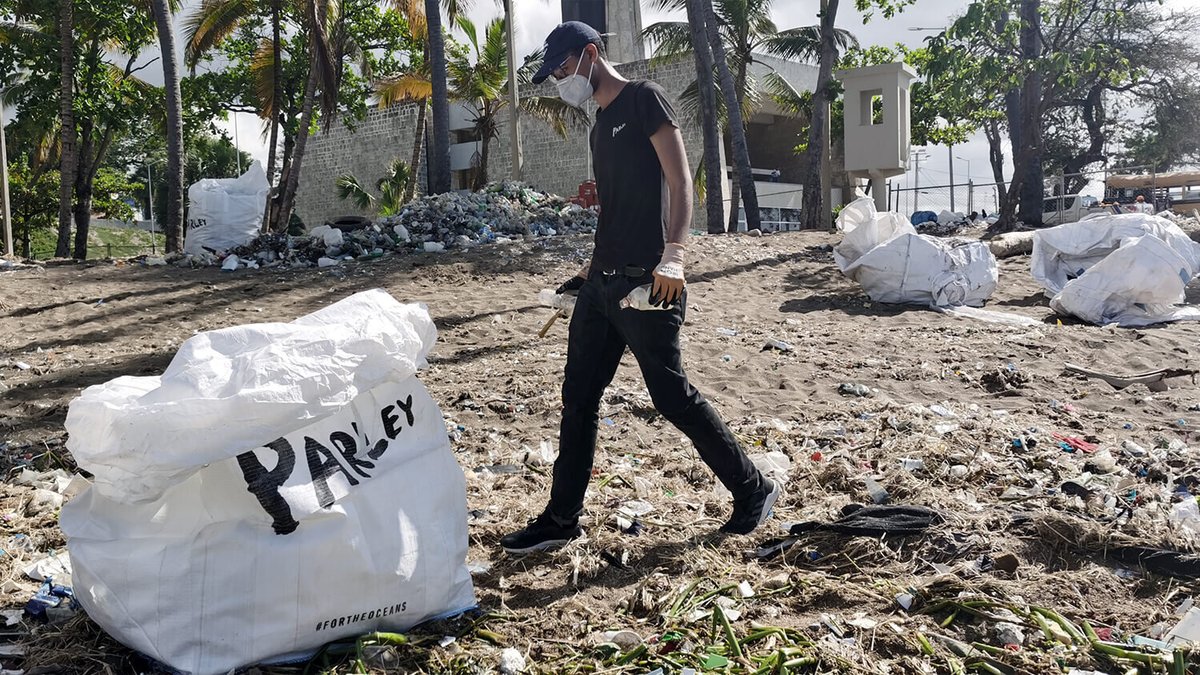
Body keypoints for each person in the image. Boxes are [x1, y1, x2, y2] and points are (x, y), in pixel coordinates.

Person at [499, 21, 781, 554]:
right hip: (602, 284)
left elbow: (680, 183)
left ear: (589, 54)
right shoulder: (600, 122)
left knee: (671, 396)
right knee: (578, 397)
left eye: (562, 68)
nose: (560, 79)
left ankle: (753, 489)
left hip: (649, 282)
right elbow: (614, 208)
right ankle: (562, 519)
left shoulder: (644, 100)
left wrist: (675, 256)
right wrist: (588, 268)